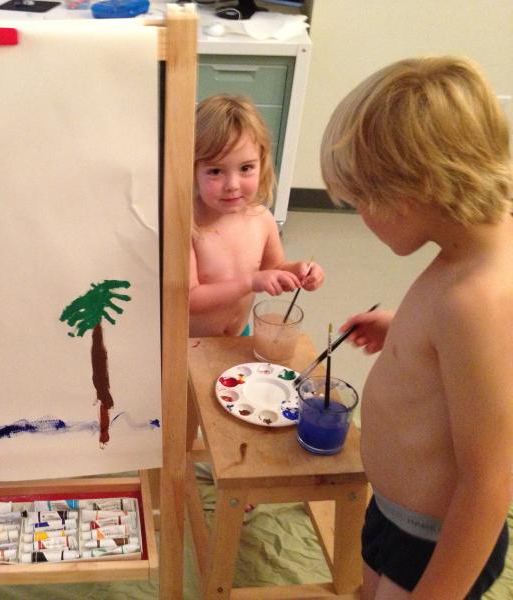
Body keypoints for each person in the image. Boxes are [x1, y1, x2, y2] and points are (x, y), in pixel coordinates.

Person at [321, 56, 513, 599]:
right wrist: (404, 331)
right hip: (394, 513)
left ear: (411, 191)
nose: (360, 216)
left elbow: (490, 482)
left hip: (433, 542)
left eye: (361, 201)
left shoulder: (478, 300)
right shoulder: (464, 255)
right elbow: (467, 358)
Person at [189, 94, 324, 338]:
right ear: (192, 168)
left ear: (262, 164)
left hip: (240, 335)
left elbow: (275, 267)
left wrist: (298, 271)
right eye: (216, 171)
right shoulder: (188, 225)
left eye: (246, 168)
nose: (232, 185)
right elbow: (189, 299)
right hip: (192, 343)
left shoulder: (262, 220)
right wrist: (251, 281)